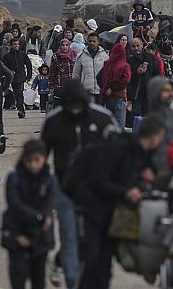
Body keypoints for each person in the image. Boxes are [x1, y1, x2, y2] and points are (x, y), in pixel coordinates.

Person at [41, 80, 118, 289]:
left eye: (78, 103)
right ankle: (73, 282)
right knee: (69, 238)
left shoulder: (102, 118)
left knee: (96, 240)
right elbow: (40, 156)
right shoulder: (54, 121)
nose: (74, 108)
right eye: (70, 103)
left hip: (97, 190)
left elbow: (118, 152)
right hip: (65, 188)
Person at [77, 115, 166, 289]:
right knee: (92, 261)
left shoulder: (142, 155)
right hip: (94, 211)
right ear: (155, 135)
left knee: (104, 265)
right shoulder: (121, 148)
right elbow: (98, 181)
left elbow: (147, 172)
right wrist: (126, 192)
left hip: (113, 215)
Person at [2, 140, 55, 289]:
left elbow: (47, 209)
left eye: (37, 160)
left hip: (40, 237)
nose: (33, 165)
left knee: (38, 280)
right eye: (29, 160)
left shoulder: (49, 181)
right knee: (18, 278)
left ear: (44, 159)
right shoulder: (14, 178)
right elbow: (14, 206)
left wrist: (32, 236)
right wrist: (37, 219)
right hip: (17, 235)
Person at [99, 42, 132, 128]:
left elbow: (99, 77)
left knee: (108, 124)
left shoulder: (107, 64)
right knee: (119, 125)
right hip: (119, 97)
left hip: (107, 97)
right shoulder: (125, 66)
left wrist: (106, 88)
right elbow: (126, 80)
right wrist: (112, 87)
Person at [127, 38, 160, 118]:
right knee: (135, 115)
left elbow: (156, 73)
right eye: (134, 46)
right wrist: (136, 72)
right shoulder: (129, 59)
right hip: (135, 92)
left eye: (138, 46)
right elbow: (127, 76)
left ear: (142, 45)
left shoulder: (150, 57)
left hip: (148, 91)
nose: (136, 48)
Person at [3, 38, 33, 119]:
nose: (16, 46)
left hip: (22, 77)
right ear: (11, 46)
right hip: (13, 78)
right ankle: (20, 108)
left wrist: (29, 75)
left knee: (19, 93)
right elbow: (4, 67)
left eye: (17, 44)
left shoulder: (22, 54)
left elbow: (28, 64)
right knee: (17, 94)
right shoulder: (7, 56)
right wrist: (9, 73)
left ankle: (21, 110)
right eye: (14, 44)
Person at [72, 32, 108, 98]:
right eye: (90, 41)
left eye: (94, 41)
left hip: (100, 91)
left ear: (98, 42)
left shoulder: (104, 56)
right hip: (86, 91)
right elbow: (76, 74)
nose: (92, 43)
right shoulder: (81, 56)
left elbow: (108, 73)